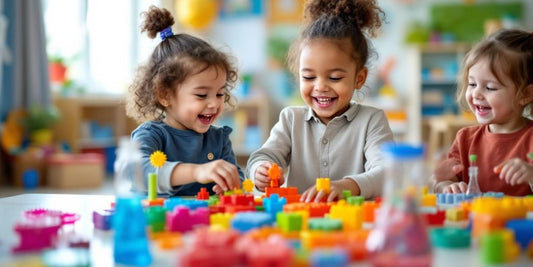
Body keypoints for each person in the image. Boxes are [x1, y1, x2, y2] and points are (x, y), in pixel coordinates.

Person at [246, 0, 394, 202]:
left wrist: (347, 186)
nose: (320, 87)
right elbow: (263, 156)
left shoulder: (372, 120)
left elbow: (387, 172)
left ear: (359, 78)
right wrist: (260, 170)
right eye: (308, 77)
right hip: (299, 222)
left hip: (354, 223)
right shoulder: (291, 119)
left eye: (334, 78)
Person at [126, 6, 244, 197]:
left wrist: (231, 184)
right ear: (164, 95)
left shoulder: (218, 139)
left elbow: (235, 175)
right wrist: (197, 172)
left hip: (201, 223)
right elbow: (137, 172)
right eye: (202, 95)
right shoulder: (152, 135)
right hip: (157, 221)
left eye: (220, 94)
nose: (214, 103)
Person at [432, 29, 533, 196]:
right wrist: (445, 185)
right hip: (475, 221)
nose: (476, 94)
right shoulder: (465, 139)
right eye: (472, 84)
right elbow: (441, 181)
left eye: (490, 87)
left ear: (525, 94)